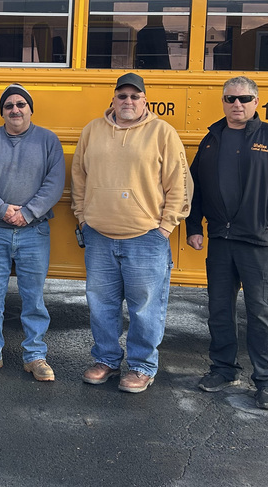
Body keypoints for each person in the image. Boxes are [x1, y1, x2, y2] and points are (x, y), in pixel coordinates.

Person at [186, 76, 268, 411]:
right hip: (221, 240)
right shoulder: (211, 140)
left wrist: (267, 218)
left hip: (259, 242)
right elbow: (195, 187)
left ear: (256, 102)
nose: (236, 104)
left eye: (243, 98)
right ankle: (223, 370)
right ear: (223, 102)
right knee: (219, 309)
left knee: (264, 311)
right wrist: (194, 226)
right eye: (230, 98)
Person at [71, 72, 193, 393]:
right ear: (113, 99)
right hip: (99, 235)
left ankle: (142, 366)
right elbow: (79, 178)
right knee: (101, 304)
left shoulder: (162, 132)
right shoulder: (92, 130)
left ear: (144, 101)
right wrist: (83, 218)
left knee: (145, 308)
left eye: (134, 96)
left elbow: (179, 184)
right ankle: (106, 360)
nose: (128, 101)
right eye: (122, 96)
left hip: (146, 237)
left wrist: (165, 227)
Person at [0, 84, 65, 381]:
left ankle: (35, 356)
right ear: (2, 112)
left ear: (30, 109)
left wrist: (27, 213)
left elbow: (55, 182)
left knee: (34, 299)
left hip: (34, 231)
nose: (15, 110)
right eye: (9, 105)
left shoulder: (48, 140)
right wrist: (1, 209)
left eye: (21, 104)